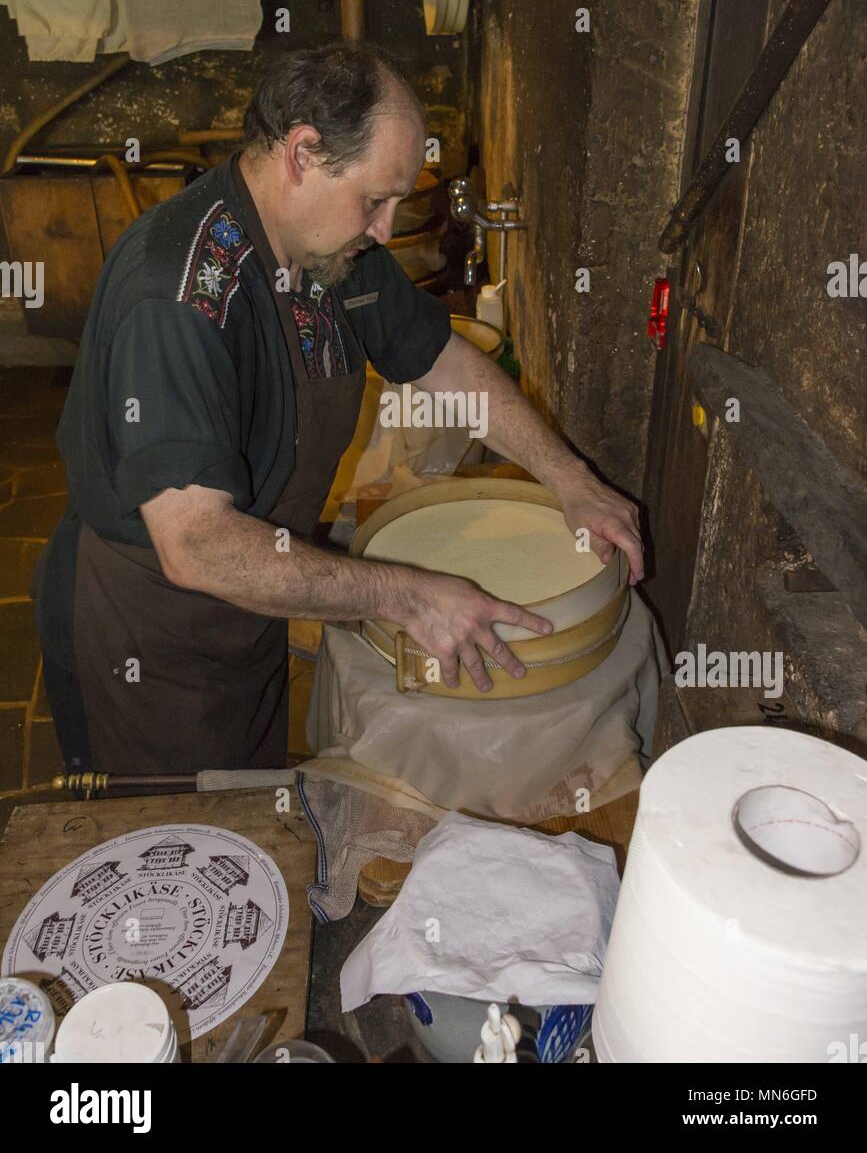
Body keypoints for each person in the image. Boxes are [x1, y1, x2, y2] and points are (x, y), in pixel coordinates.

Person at [34, 43, 644, 775]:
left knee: (247, 789)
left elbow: (441, 360)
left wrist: (570, 480)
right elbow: (196, 544)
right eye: (375, 199)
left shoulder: (333, 254)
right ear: (302, 154)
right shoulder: (179, 296)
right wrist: (407, 597)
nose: (386, 228)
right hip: (150, 626)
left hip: (253, 590)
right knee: (177, 847)